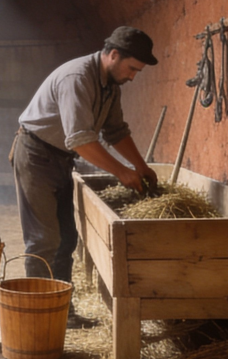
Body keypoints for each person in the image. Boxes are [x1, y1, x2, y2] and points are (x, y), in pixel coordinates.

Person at [12, 26, 159, 303]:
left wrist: (141, 166)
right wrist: (121, 172)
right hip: (35, 155)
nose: (132, 76)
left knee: (67, 238)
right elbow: (80, 140)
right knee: (43, 240)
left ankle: (61, 310)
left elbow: (116, 131)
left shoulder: (111, 86)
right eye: (131, 68)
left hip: (61, 158)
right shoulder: (77, 78)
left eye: (137, 71)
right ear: (113, 55)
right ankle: (36, 311)